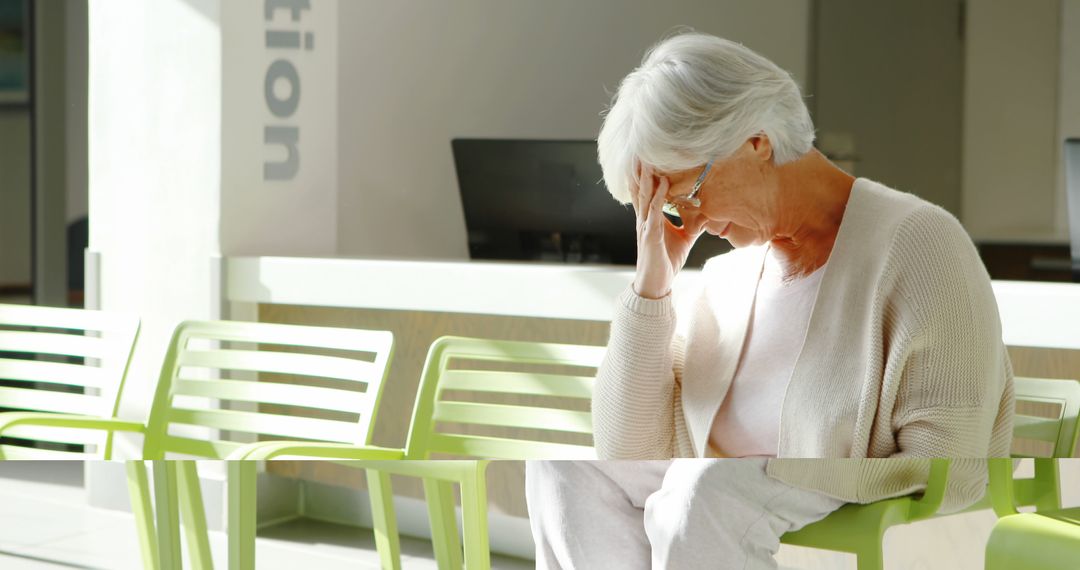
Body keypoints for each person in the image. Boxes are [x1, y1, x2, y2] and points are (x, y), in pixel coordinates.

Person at [526, 30, 1014, 569]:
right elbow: (625, 448)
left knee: (706, 489)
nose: (692, 222)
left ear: (756, 142)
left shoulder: (920, 243)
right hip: (714, 520)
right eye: (666, 208)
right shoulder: (725, 278)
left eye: (687, 194)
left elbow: (954, 465)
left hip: (843, 529)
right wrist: (652, 283)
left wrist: (766, 479)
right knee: (561, 468)